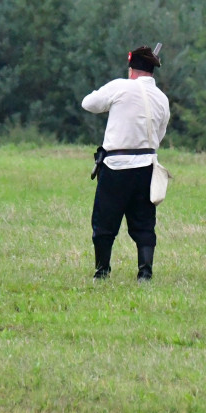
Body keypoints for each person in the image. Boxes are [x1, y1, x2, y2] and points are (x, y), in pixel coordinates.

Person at [82, 46, 170, 281]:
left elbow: (89, 103)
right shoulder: (162, 98)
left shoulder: (120, 86)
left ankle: (102, 272)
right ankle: (145, 273)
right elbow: (159, 136)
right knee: (143, 223)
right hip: (146, 167)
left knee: (104, 223)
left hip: (116, 167)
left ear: (132, 69)